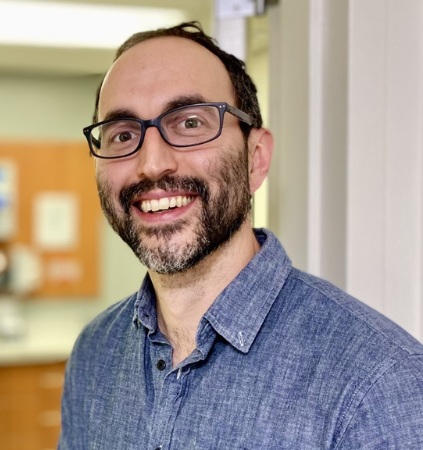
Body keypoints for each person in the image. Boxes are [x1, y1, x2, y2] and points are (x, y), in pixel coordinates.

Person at [58, 22, 423, 449]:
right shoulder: (94, 354)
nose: (152, 163)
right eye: (123, 134)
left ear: (256, 158)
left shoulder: (376, 383)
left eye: (190, 123)